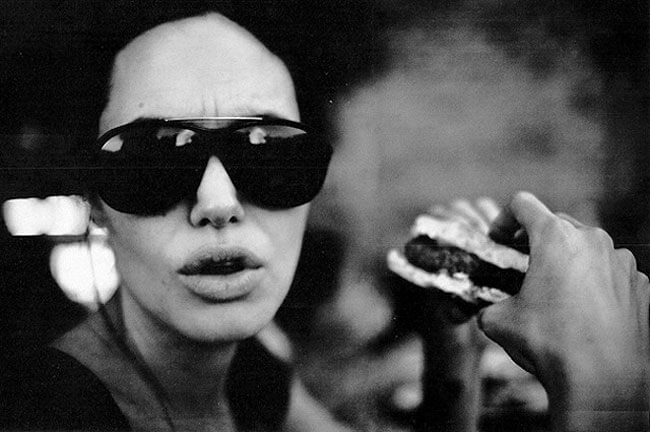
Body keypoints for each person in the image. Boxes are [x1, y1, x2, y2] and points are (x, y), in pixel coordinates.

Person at [0, 9, 647, 432]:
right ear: (95, 204)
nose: (218, 202)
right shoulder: (49, 413)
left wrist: (451, 346)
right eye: (153, 160)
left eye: (270, 155)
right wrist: (606, 388)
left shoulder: (246, 370)